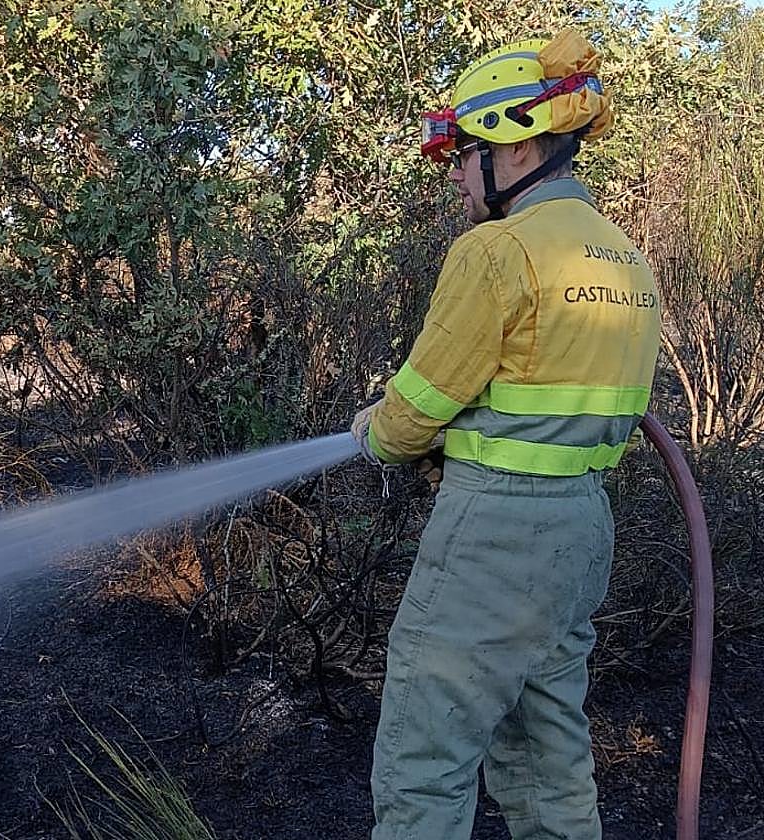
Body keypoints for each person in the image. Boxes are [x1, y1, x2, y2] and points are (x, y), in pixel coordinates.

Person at [350, 29, 662, 840]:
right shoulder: (625, 257)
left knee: (425, 761)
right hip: (579, 534)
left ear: (518, 150)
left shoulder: (499, 249)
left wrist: (377, 433)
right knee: (545, 758)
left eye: (463, 152)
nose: (454, 173)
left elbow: (417, 408)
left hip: (493, 538)